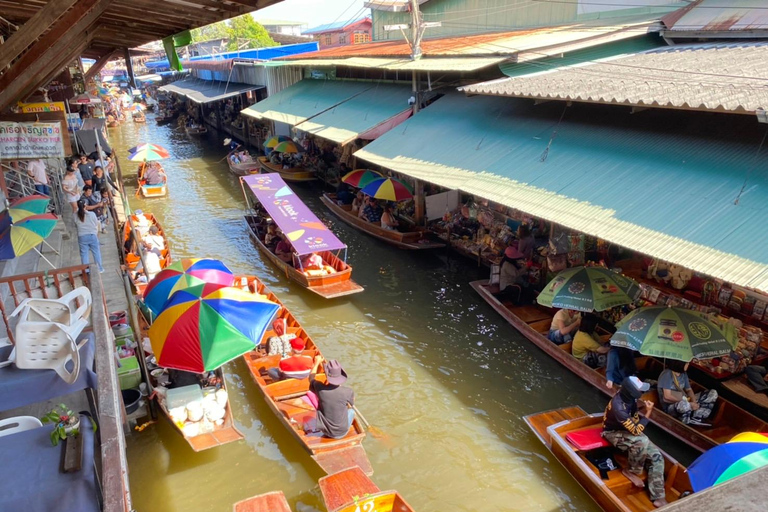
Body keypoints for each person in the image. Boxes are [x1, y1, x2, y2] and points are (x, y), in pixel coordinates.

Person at [602, 376, 666, 508]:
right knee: (642, 440)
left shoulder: (631, 399)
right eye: (640, 390)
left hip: (627, 430)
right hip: (612, 433)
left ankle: (658, 496)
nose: (642, 392)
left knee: (657, 457)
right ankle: (631, 470)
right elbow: (636, 431)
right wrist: (648, 412)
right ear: (632, 392)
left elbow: (635, 419)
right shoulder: (619, 408)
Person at [305, 359, 356, 439]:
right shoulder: (348, 391)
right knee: (351, 411)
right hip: (342, 432)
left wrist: (317, 363)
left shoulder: (320, 388)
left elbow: (311, 378)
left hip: (326, 432)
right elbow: (351, 404)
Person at [657, 360, 717, 426]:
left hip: (685, 399)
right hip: (671, 406)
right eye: (686, 363)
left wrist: (694, 402)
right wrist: (688, 403)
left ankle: (696, 417)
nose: (688, 364)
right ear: (680, 363)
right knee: (684, 405)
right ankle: (686, 420)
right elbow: (667, 396)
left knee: (713, 393)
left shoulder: (683, 374)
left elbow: (688, 390)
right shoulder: (667, 374)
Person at [75, 200, 104, 273]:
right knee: (96, 252)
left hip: (82, 236)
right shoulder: (92, 214)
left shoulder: (75, 215)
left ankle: (86, 271)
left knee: (84, 254)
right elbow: (96, 223)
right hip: (92, 235)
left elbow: (76, 223)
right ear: (85, 206)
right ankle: (100, 269)